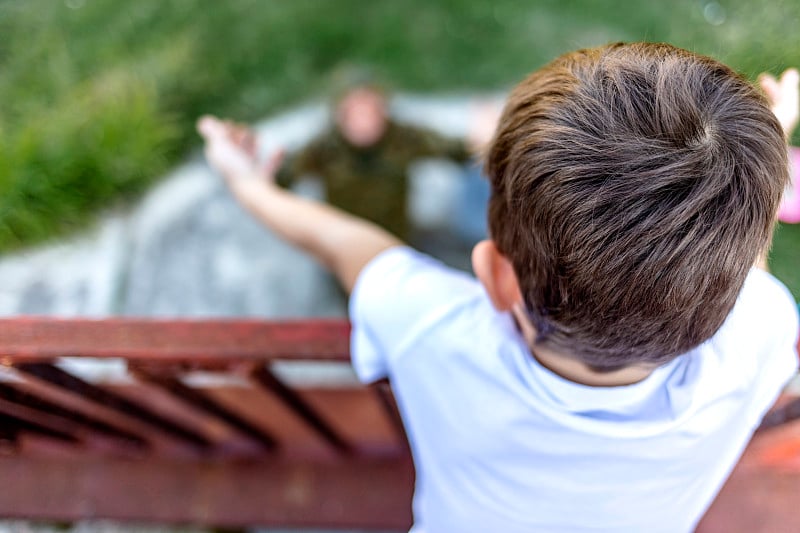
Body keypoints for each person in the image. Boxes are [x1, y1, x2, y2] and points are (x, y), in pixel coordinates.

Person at [198, 42, 799, 533]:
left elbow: (347, 246)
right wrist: (751, 160)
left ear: (493, 274)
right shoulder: (761, 336)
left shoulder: (432, 330)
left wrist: (252, 188)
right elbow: (751, 275)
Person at [275, 72, 476, 243]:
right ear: (340, 114)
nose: (363, 120)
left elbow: (455, 150)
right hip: (344, 245)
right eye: (354, 111)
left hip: (394, 242)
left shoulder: (402, 138)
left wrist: (481, 141)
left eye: (370, 109)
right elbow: (283, 178)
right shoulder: (324, 148)